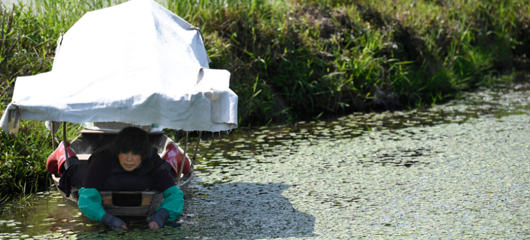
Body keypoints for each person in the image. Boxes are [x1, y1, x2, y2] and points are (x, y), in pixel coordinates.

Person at [46, 126, 190, 230]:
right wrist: (109, 219)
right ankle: (63, 153)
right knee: (76, 176)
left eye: (135, 154)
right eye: (124, 153)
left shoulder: (152, 158)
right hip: (100, 177)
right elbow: (86, 199)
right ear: (117, 151)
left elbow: (175, 195)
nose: (129, 159)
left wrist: (160, 216)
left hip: (142, 178)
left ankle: (172, 152)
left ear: (144, 154)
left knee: (168, 175)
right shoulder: (103, 158)